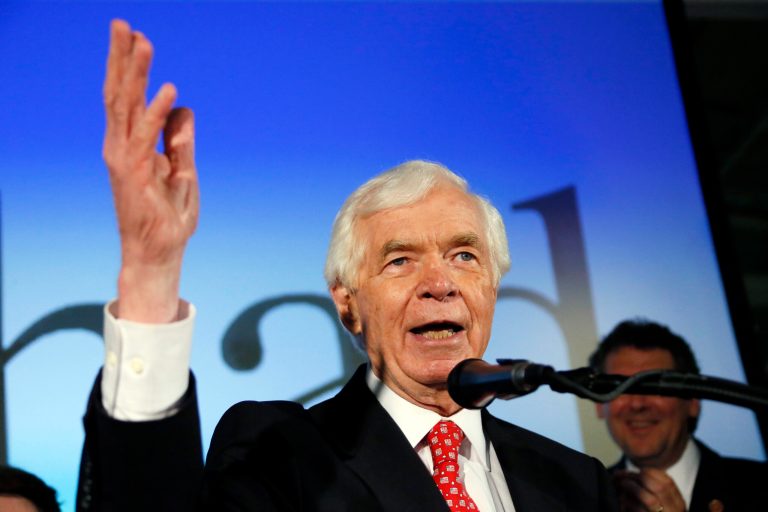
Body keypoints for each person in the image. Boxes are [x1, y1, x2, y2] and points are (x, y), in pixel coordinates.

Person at [76, 19, 618, 511]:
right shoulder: (280, 454)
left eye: (464, 256)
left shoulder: (575, 482)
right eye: (400, 260)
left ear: (493, 286)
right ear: (347, 303)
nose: (440, 284)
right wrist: (151, 274)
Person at [589, 319, 768, 512]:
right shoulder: (584, 498)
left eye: (653, 387)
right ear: (599, 404)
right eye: (621, 388)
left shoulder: (761, 486)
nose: (637, 404)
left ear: (693, 401)